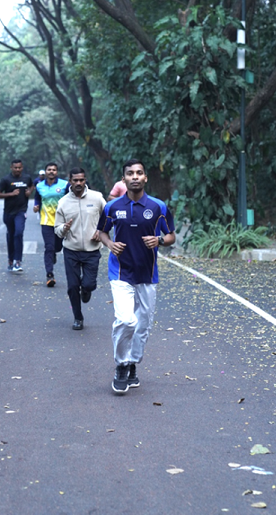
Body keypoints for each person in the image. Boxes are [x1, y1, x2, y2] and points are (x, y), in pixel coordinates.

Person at [95, 160, 178, 395]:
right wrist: (110, 244)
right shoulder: (112, 207)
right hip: (120, 272)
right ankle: (121, 366)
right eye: (130, 173)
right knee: (126, 320)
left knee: (143, 325)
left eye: (139, 173)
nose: (135, 177)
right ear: (123, 179)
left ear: (145, 178)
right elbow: (101, 232)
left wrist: (159, 240)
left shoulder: (158, 207)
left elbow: (171, 236)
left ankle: (132, 363)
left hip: (147, 274)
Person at [55, 167, 106, 330]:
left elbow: (108, 217)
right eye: (75, 180)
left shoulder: (97, 198)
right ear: (70, 181)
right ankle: (78, 317)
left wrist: (100, 231)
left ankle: (86, 290)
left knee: (89, 284)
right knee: (72, 286)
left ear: (85, 180)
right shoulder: (63, 202)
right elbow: (57, 229)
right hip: (71, 251)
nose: (78, 183)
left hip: (92, 250)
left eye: (81, 180)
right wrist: (64, 228)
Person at [0, 160, 32, 273]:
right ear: (11, 167)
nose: (17, 170)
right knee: (11, 236)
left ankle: (18, 261)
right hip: (9, 212)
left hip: (21, 211)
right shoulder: (6, 179)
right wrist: (11, 194)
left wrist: (29, 191)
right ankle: (10, 260)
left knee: (18, 233)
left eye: (19, 168)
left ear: (22, 167)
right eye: (15, 168)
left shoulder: (26, 178)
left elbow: (32, 186)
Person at [34, 163, 67, 287]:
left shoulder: (64, 185)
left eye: (54, 170)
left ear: (57, 172)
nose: (51, 171)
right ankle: (49, 274)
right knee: (49, 247)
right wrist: (36, 205)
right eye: (49, 169)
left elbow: (71, 198)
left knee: (57, 247)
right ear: (46, 172)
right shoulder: (39, 186)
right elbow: (37, 198)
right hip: (46, 221)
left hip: (61, 221)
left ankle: (54, 254)